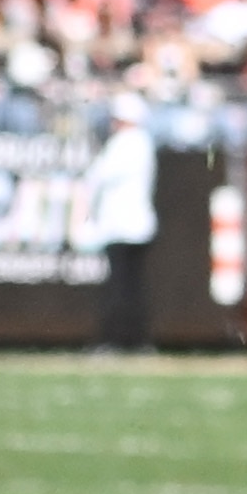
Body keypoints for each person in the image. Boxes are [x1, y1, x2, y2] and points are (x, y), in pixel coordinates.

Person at [78, 95, 160, 354]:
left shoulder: (126, 143)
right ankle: (136, 340)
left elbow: (97, 175)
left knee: (119, 289)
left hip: (122, 228)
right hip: (136, 226)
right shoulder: (143, 142)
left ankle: (115, 340)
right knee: (133, 288)